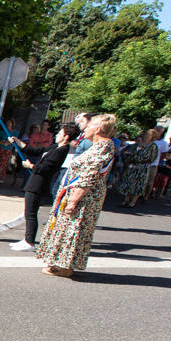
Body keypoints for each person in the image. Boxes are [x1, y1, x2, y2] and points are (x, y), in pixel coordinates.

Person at [37, 114, 117, 277]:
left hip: (84, 198)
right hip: (79, 195)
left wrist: (73, 201)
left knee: (74, 228)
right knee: (68, 228)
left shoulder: (103, 146)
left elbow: (89, 176)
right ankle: (61, 263)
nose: (85, 128)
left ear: (98, 129)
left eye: (89, 126)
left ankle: (66, 267)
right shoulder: (99, 145)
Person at [7, 122, 77, 251]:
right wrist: (18, 142)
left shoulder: (61, 151)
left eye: (60, 133)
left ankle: (30, 242)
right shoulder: (54, 147)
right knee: (28, 212)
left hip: (40, 183)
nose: (57, 135)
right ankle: (27, 239)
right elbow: (35, 150)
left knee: (31, 212)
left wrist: (30, 166)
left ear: (66, 137)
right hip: (34, 181)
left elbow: (46, 168)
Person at [117, 130, 158, 207]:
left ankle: (133, 202)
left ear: (153, 137)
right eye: (146, 134)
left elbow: (153, 158)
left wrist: (142, 161)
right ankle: (126, 200)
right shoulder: (138, 144)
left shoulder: (153, 146)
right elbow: (131, 152)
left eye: (149, 135)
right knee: (128, 182)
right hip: (132, 165)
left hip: (142, 167)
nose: (147, 136)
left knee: (139, 184)